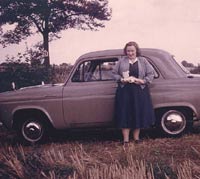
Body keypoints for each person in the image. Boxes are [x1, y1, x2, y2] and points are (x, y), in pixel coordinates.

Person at [112, 41, 155, 145]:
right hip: (124, 92)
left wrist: (142, 81)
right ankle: (125, 140)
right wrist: (122, 79)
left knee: (137, 112)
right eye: (128, 51)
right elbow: (114, 73)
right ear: (125, 51)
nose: (130, 53)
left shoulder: (143, 61)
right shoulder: (121, 61)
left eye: (132, 51)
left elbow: (151, 73)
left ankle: (136, 138)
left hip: (139, 91)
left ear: (136, 51)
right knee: (125, 113)